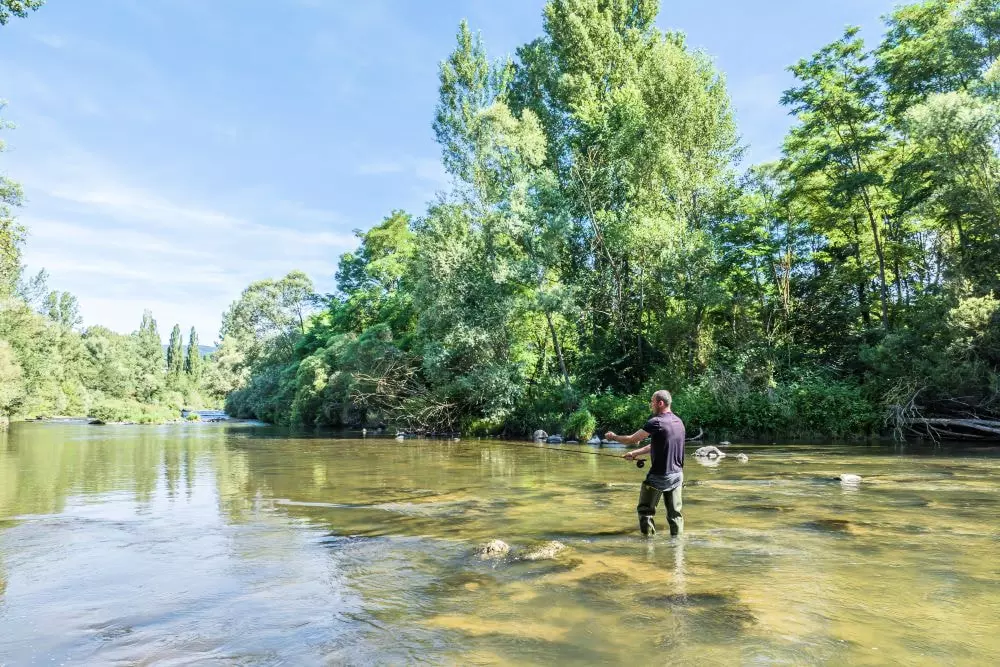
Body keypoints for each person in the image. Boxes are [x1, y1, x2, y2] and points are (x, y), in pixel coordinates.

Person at [604, 390, 685, 536]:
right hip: (677, 476)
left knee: (645, 511)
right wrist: (635, 453)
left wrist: (613, 437)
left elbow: (631, 440)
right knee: (675, 515)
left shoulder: (656, 422)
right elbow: (658, 445)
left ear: (660, 403)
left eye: (652, 401)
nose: (651, 405)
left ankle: (648, 547)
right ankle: (677, 550)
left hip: (659, 476)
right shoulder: (678, 422)